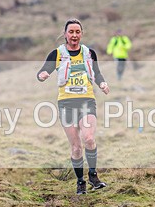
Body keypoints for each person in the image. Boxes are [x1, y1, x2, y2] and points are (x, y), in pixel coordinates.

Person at [37, 18, 110, 195]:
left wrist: (102, 84)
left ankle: (93, 175)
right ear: (65, 34)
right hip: (66, 103)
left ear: (81, 34)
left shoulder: (89, 53)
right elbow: (41, 72)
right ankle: (80, 182)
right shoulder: (57, 54)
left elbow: (97, 73)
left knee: (89, 138)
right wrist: (44, 75)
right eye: (71, 32)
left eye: (77, 32)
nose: (74, 35)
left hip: (86, 100)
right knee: (76, 147)